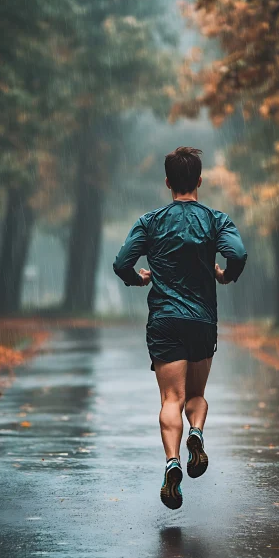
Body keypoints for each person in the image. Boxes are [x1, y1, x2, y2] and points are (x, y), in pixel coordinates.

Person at [113, 147, 247, 510]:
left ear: (168, 182)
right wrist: (224, 274)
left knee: (170, 399)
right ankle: (197, 434)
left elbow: (122, 262)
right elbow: (237, 254)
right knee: (195, 397)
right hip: (202, 321)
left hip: (165, 322)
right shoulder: (217, 220)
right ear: (199, 181)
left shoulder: (150, 221)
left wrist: (137, 280)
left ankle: (172, 462)